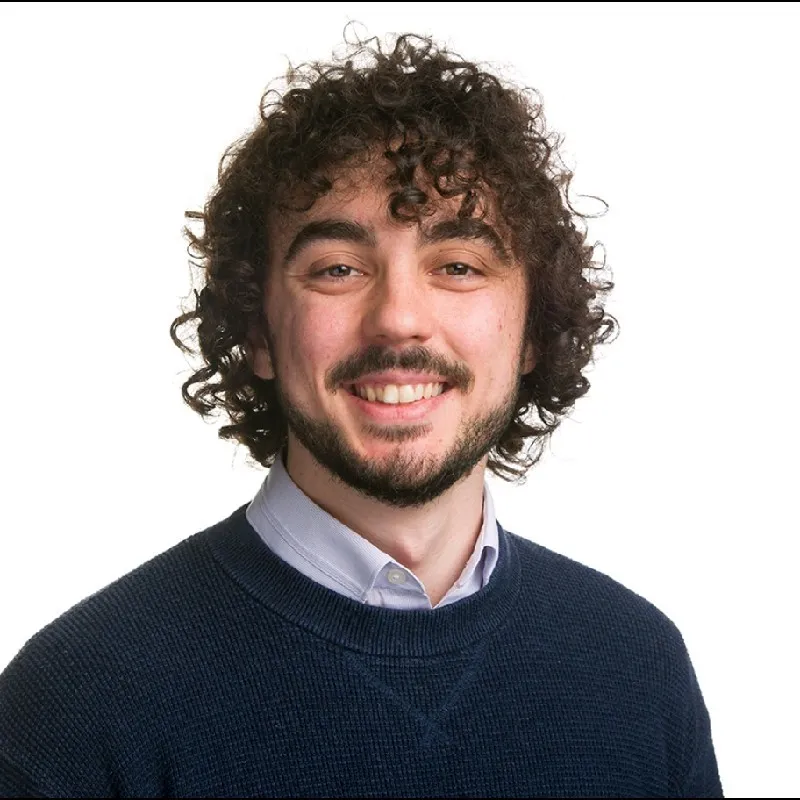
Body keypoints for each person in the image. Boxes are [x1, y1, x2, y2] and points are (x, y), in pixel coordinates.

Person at [0, 33, 722, 798]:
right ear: (257, 332)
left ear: (535, 329)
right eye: (338, 270)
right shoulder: (74, 714)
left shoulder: (639, 671)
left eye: (458, 267)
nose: (400, 320)